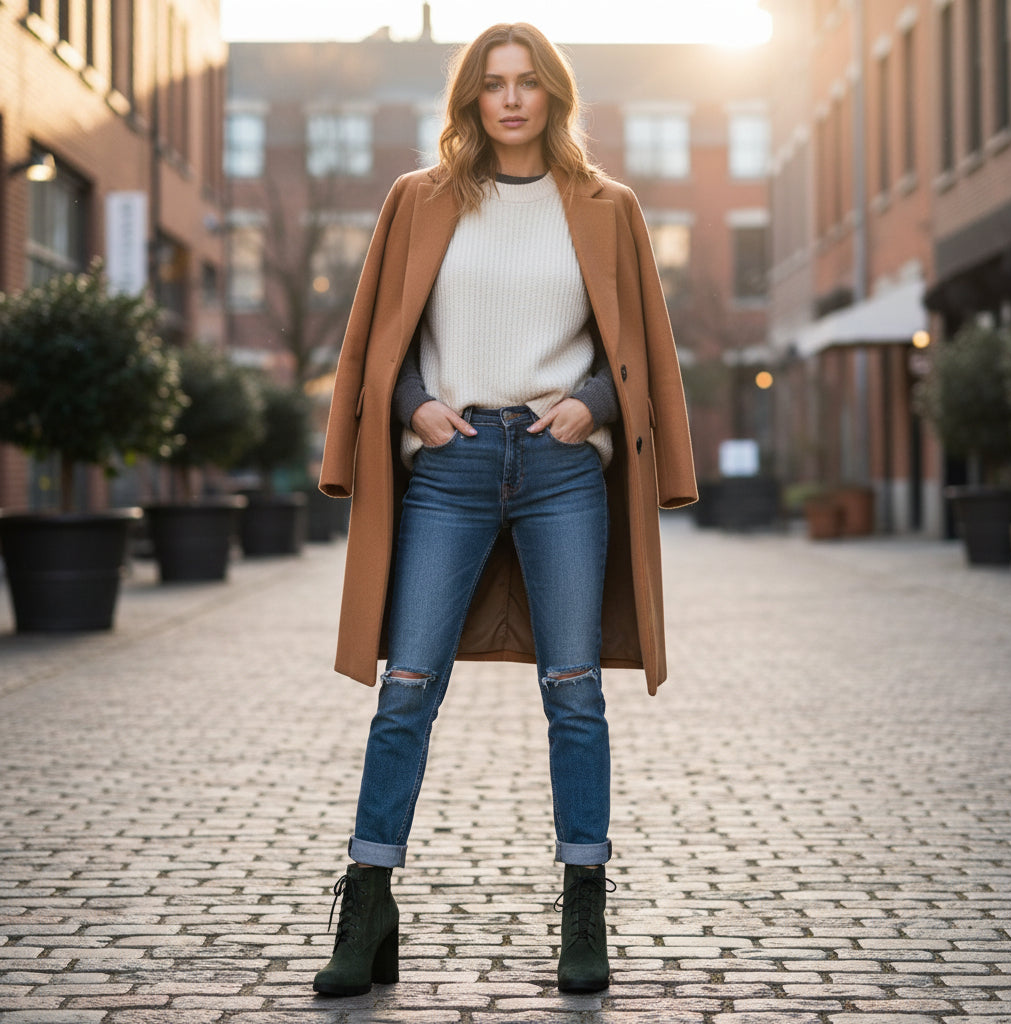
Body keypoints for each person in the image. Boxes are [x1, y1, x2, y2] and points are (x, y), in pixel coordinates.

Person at [313, 21, 698, 998]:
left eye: (529, 82)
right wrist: (416, 412)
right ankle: (367, 900)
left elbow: (641, 350)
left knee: (573, 689)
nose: (513, 98)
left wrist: (591, 408)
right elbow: (377, 342)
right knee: (407, 684)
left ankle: (583, 905)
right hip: (453, 462)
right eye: (495, 83)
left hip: (562, 464)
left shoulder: (606, 207)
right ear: (472, 99)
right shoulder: (420, 199)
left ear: (554, 96)